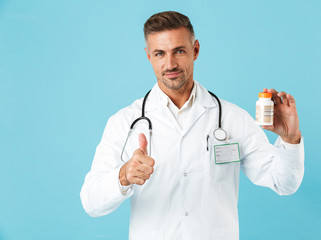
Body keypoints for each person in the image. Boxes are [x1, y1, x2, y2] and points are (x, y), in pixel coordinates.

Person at [80, 11, 304, 240]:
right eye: (160, 53)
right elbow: (91, 202)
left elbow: (283, 182)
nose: (170, 63)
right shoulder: (125, 122)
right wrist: (123, 176)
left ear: (195, 50)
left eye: (179, 51)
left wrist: (290, 138)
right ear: (149, 56)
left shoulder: (233, 118)